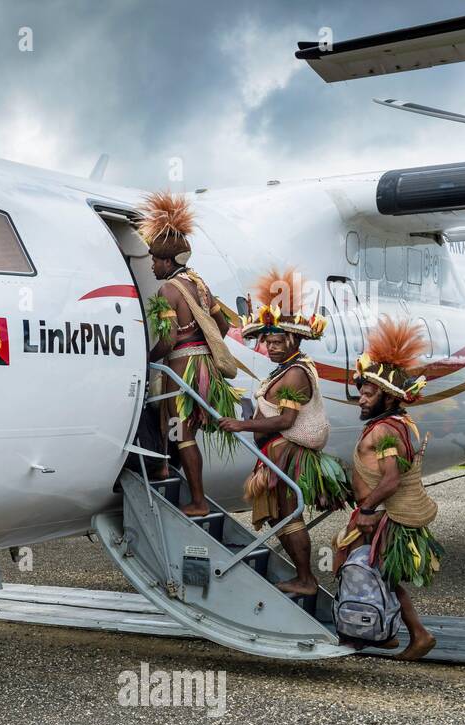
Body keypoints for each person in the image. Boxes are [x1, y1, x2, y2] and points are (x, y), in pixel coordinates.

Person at [218, 268, 352, 595]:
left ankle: (306, 579)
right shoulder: (286, 369)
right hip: (276, 454)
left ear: (292, 339)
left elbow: (285, 422)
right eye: (268, 341)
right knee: (281, 517)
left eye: (277, 341)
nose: (271, 347)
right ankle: (303, 576)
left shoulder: (295, 374)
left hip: (286, 454)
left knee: (288, 517)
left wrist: (242, 423)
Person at [332, 317, 443, 660]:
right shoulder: (396, 423)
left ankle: (405, 633)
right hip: (376, 513)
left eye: (368, 393)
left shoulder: (384, 431)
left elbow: (392, 478)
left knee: (367, 571)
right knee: (375, 574)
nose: (361, 400)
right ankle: (385, 634)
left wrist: (366, 510)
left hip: (381, 516)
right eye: (362, 392)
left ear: (387, 396)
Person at [138, 190, 241, 516]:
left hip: (182, 367)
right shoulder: (200, 285)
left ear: (168, 261)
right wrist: (201, 348)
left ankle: (197, 501)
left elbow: (168, 342)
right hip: (203, 367)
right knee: (178, 426)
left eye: (155, 259)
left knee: (181, 433)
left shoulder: (168, 290)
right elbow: (222, 326)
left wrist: (147, 359)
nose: (152, 265)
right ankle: (166, 469)